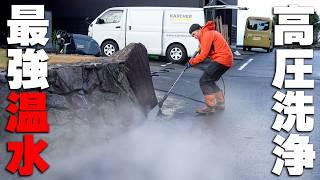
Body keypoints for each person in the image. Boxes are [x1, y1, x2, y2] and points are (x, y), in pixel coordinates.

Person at [187, 21, 233, 114]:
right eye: (193, 36)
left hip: (222, 59)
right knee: (210, 81)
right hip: (226, 60)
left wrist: (191, 62)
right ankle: (220, 104)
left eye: (194, 34)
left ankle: (210, 107)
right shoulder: (208, 34)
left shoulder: (207, 35)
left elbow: (203, 55)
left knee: (204, 81)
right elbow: (205, 51)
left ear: (199, 30)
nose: (194, 37)